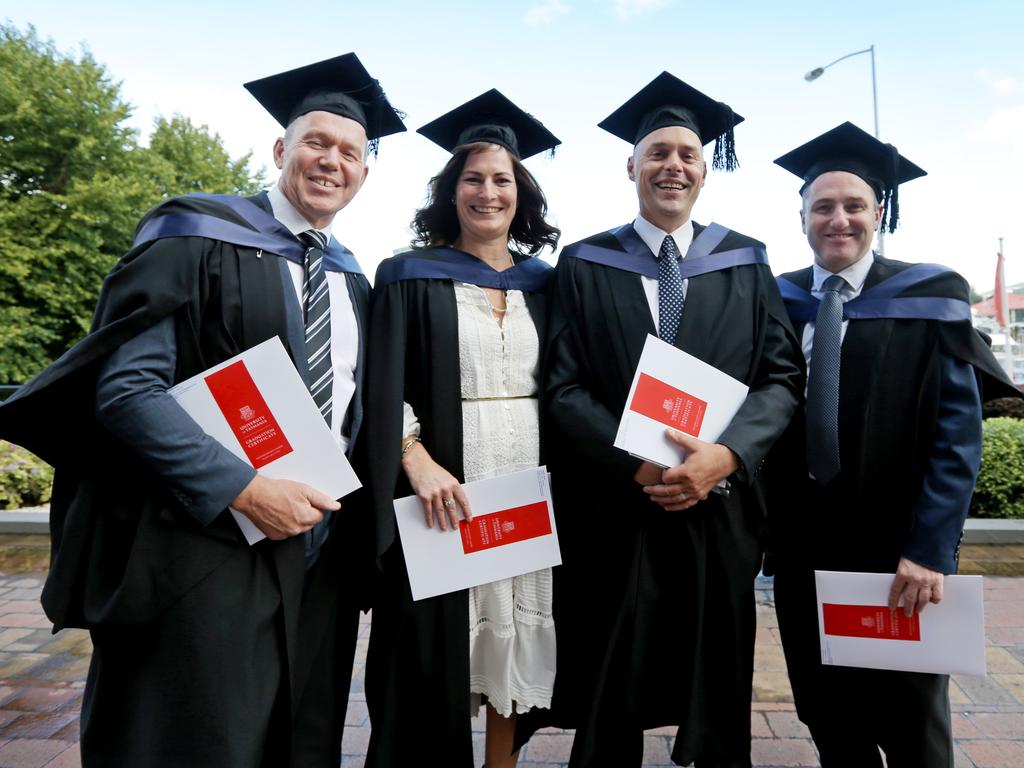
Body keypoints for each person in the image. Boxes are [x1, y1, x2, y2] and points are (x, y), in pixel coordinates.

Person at [0, 54, 405, 767]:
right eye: (316, 141)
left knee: (299, 740)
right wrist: (246, 490)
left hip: (319, 563)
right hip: (205, 543)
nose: (331, 160)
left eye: (350, 151)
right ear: (281, 148)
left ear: (365, 174)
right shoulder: (196, 235)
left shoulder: (354, 280)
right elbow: (127, 391)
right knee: (195, 737)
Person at [516, 72, 805, 767]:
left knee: (715, 659)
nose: (673, 165)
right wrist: (634, 461)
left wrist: (727, 455)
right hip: (620, 503)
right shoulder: (585, 263)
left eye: (687, 154)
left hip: (719, 502)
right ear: (631, 165)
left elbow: (781, 376)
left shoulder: (745, 259)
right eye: (658, 153)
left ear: (705, 169)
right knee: (616, 653)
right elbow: (562, 387)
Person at [768, 121, 1021, 768]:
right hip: (807, 555)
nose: (838, 219)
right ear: (801, 218)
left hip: (898, 555)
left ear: (880, 212)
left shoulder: (929, 296)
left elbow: (957, 437)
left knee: (914, 729)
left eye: (854, 205)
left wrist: (931, 550)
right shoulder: (777, 299)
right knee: (830, 720)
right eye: (822, 206)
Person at [362, 89, 561, 768]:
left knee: (511, 642)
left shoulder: (549, 284)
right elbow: (381, 382)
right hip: (445, 493)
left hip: (527, 493)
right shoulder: (406, 276)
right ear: (451, 191)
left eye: (501, 179)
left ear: (519, 192)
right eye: (472, 178)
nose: (487, 192)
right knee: (436, 649)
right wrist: (411, 458)